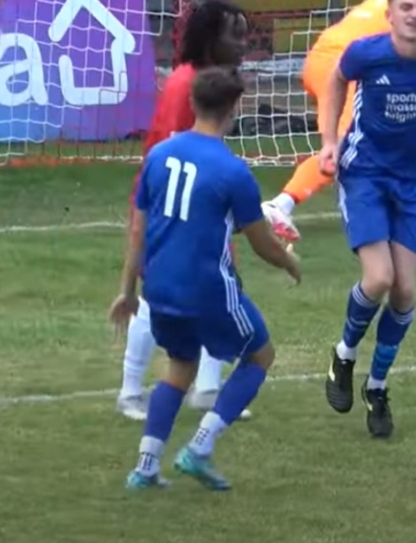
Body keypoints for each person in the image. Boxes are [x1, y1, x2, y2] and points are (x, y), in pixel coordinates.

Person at [109, 66, 301, 491]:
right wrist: (288, 262)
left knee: (180, 365)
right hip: (208, 289)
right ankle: (200, 447)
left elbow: (138, 227)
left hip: (158, 286)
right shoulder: (233, 172)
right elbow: (261, 243)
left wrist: (127, 292)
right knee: (259, 356)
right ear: (235, 108)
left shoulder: (159, 155)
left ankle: (145, 467)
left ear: (192, 104)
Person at [319, 0, 416, 439]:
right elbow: (334, 80)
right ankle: (344, 355)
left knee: (404, 292)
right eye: (407, 8)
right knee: (379, 278)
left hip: (411, 181)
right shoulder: (367, 54)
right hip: (365, 174)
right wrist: (329, 143)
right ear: (391, 16)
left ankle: (376, 388)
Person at [116, 0, 253, 421]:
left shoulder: (215, 81)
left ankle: (209, 387)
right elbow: (174, 158)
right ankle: (130, 391)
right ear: (212, 39)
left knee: (218, 284)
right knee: (161, 293)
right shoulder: (184, 85)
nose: (244, 43)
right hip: (168, 207)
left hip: (201, 206)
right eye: (236, 34)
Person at [260, 0, 416, 243]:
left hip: (318, 57)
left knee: (353, 138)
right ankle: (281, 205)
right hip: (342, 69)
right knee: (345, 146)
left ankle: (373, 200)